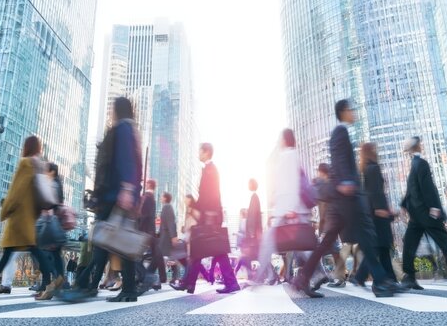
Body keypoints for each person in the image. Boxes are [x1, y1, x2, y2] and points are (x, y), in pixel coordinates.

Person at [294, 100, 403, 298]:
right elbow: (338, 157)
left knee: (329, 240)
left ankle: (303, 277)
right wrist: (345, 181)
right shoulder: (340, 132)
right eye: (351, 110)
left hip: (341, 196)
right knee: (365, 235)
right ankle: (381, 281)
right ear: (343, 112)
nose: (354, 113)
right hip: (346, 195)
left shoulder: (342, 132)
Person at [63, 97, 143, 302]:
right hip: (114, 194)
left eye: (112, 109)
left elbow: (126, 160)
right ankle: (119, 289)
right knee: (114, 244)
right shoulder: (126, 128)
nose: (110, 112)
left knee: (108, 243)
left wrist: (126, 188)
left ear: (118, 110)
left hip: (115, 195)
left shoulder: (124, 128)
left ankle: (87, 286)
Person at [0, 136, 60, 301]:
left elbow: (15, 191)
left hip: (19, 216)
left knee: (10, 250)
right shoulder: (39, 166)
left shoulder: (25, 163)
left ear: (26, 147)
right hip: (30, 217)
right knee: (26, 249)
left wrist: (4, 211)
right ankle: (53, 280)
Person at [399, 136, 447, 290]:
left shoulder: (414, 164)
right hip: (426, 213)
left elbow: (412, 188)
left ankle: (409, 277)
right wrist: (434, 207)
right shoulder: (421, 163)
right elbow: (427, 187)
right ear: (418, 146)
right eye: (421, 144)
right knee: (444, 243)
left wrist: (404, 205)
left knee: (410, 245)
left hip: (416, 215)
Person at [172, 143, 240, 294]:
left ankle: (189, 283)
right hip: (210, 215)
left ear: (206, 152)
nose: (198, 154)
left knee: (209, 250)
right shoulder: (209, 169)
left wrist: (200, 211)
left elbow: (211, 195)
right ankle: (190, 283)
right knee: (205, 251)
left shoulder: (210, 170)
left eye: (200, 151)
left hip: (209, 217)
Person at [253, 129, 314, 286]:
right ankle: (319, 273)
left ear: (285, 140)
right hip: (290, 208)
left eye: (280, 139)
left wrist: (290, 208)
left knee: (270, 241)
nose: (279, 142)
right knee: (300, 245)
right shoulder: (290, 155)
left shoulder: (289, 156)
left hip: (290, 209)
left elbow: (292, 183)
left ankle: (259, 278)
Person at [354, 142, 397, 285]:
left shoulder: (365, 168)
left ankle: (361, 276)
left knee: (379, 247)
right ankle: (389, 279)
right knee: (382, 246)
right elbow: (376, 191)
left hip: (372, 213)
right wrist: (381, 209)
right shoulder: (373, 168)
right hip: (378, 212)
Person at [140, 179, 165, 289]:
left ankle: (150, 277)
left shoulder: (147, 197)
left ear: (148, 185)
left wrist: (138, 228)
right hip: (150, 231)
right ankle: (155, 278)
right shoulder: (152, 198)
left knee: (135, 257)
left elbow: (144, 215)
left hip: (144, 231)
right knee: (156, 255)